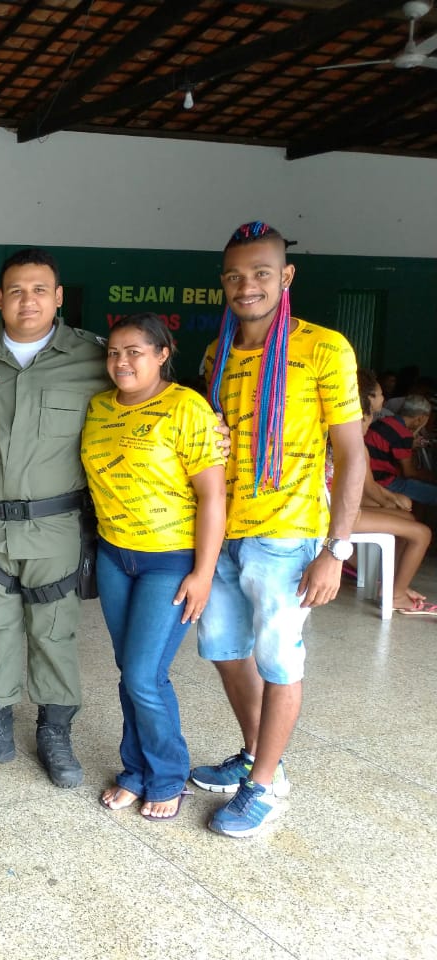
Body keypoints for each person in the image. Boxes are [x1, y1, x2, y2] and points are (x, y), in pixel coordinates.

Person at [190, 221, 364, 838]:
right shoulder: (217, 352)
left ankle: (265, 787)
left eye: (262, 273)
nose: (248, 286)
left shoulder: (324, 348)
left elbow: (351, 454)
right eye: (235, 275)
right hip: (224, 534)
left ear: (285, 277)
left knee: (279, 661)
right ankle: (256, 755)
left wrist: (335, 551)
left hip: (287, 540)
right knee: (226, 652)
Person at [0, 248, 110, 787]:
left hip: (57, 527)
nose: (27, 300)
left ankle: (55, 732)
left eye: (39, 290)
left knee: (55, 634)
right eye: (15, 290)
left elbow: (144, 408)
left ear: (58, 297)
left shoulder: (93, 359)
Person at [82, 314, 225, 820]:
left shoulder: (187, 407)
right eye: (114, 352)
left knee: (145, 675)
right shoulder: (98, 408)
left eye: (135, 351)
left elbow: (212, 495)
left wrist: (203, 572)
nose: (122, 361)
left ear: (163, 353)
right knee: (133, 673)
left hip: (168, 561)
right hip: (114, 556)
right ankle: (135, 772)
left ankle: (166, 776)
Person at [350, 371, 431, 614]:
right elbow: (375, 486)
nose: (369, 424)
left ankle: (393, 585)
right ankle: (396, 594)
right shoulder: (353, 444)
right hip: (341, 514)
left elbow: (371, 487)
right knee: (422, 532)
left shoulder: (353, 441)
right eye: (367, 418)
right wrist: (391, 499)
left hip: (342, 509)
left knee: (407, 518)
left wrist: (392, 500)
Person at [365, 395, 437, 506]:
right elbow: (409, 473)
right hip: (382, 481)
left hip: (368, 475)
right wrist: (431, 477)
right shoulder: (403, 434)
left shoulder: (383, 421)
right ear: (420, 418)